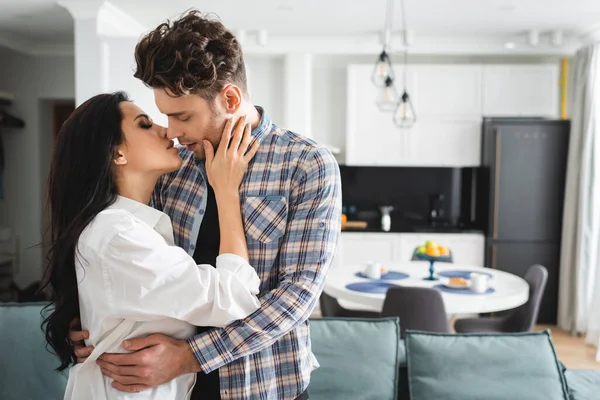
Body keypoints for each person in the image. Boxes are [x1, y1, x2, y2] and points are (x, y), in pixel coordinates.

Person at [69, 9, 342, 400]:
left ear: (229, 98)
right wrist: (86, 320)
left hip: (266, 386)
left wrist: (191, 357)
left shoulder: (306, 164)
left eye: (183, 117)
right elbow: (137, 267)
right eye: (165, 117)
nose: (174, 133)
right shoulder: (171, 167)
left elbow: (297, 295)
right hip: (173, 388)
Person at [42, 91, 262, 399]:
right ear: (116, 153)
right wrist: (226, 191)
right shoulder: (119, 235)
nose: (167, 131)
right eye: (145, 124)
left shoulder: (127, 226)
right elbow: (233, 298)